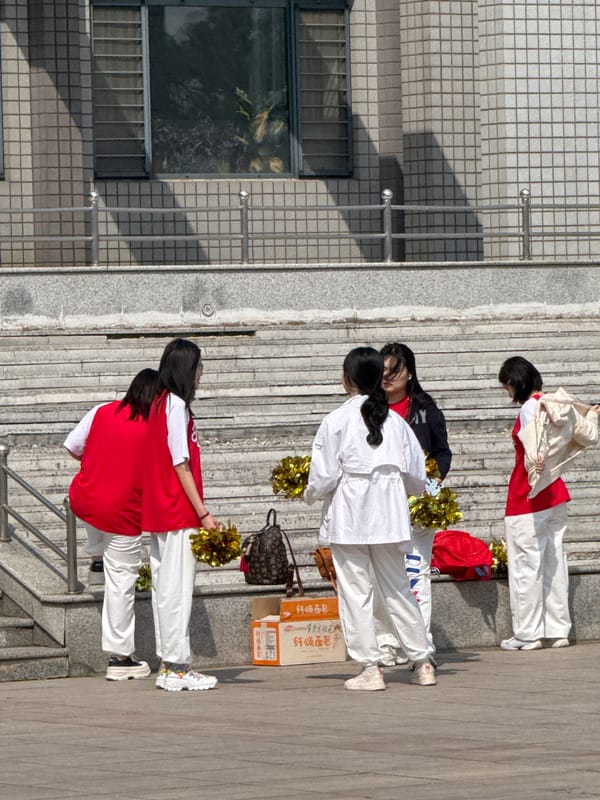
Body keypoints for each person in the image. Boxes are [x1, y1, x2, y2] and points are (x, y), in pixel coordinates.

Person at [305, 347, 436, 691]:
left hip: (350, 519)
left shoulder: (336, 421)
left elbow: (323, 477)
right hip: (389, 517)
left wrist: (309, 495)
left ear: (347, 379)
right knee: (399, 590)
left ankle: (371, 667)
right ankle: (422, 662)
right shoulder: (396, 423)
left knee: (356, 593)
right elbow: (416, 479)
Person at [498, 356, 599, 650]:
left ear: (515, 383)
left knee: (526, 565)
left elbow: (534, 449)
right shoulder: (560, 405)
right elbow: (589, 436)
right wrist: (591, 415)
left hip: (527, 496)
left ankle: (528, 633)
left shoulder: (531, 408)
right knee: (554, 563)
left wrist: (534, 464)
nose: (507, 392)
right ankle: (558, 629)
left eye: (507, 386)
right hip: (556, 493)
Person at [64, 368, 158, 681]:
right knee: (122, 582)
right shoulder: (155, 426)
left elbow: (72, 445)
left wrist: (100, 460)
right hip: (122, 512)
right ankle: (120, 658)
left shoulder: (102, 410)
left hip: (85, 498)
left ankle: (95, 558)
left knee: (96, 523)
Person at [142, 338, 219, 692]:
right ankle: (176, 666)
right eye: (199, 367)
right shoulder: (174, 405)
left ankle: (169, 662)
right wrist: (202, 511)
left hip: (161, 508)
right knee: (176, 589)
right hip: (176, 509)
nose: (202, 374)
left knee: (165, 588)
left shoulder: (160, 403)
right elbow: (180, 461)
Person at [374, 342, 452, 665]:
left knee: (416, 570)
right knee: (380, 574)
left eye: (396, 371)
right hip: (379, 504)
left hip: (417, 504)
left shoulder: (425, 407)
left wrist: (432, 483)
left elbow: (442, 452)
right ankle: (386, 642)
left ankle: (421, 641)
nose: (389, 378)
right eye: (384, 371)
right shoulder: (370, 409)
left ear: (410, 373)